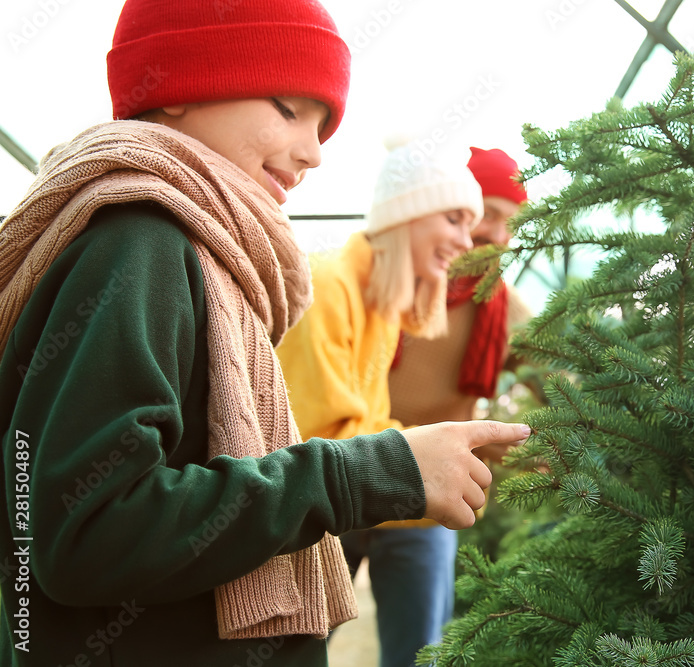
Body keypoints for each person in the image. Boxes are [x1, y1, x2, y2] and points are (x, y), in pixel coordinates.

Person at [0, 1, 529, 665]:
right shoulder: (140, 245)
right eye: (288, 106)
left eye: (323, 125)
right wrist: (378, 469)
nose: (312, 152)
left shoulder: (197, 250)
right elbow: (86, 532)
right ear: (175, 88)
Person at [276, 142, 488, 667]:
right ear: (409, 214)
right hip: (311, 514)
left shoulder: (381, 302)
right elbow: (322, 434)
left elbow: (360, 424)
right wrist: (428, 455)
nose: (467, 241)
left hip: (352, 506)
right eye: (455, 219)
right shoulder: (328, 286)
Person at [389, 147, 533, 459]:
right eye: (489, 214)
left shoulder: (509, 311)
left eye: (512, 224)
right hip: (352, 462)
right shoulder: (390, 278)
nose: (498, 235)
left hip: (439, 488)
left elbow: (562, 384)